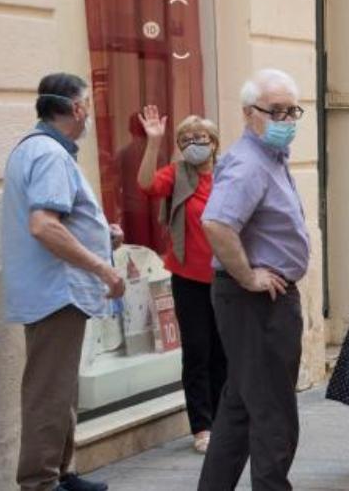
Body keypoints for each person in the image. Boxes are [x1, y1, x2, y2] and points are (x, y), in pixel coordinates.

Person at [2, 73, 125, 491]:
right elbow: (44, 226)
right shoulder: (50, 155)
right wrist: (103, 268)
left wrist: (98, 234)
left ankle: (62, 474)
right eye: (87, 103)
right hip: (56, 291)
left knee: (60, 386)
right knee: (49, 391)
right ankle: (40, 483)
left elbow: (57, 220)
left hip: (54, 291)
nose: (90, 111)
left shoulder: (41, 150)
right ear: (75, 108)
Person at [198, 69, 311, 491]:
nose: (286, 120)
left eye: (291, 111)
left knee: (242, 406)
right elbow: (217, 224)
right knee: (273, 413)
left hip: (262, 301)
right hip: (257, 304)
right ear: (249, 114)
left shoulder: (269, 158)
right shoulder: (249, 164)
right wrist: (247, 276)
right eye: (275, 111)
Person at [136, 107, 225, 454]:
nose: (192, 145)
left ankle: (224, 421)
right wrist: (154, 143)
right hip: (188, 277)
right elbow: (145, 185)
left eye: (199, 138)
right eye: (185, 140)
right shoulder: (178, 174)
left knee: (224, 352)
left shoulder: (229, 174)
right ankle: (202, 427)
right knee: (198, 351)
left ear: (214, 143)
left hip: (225, 275)